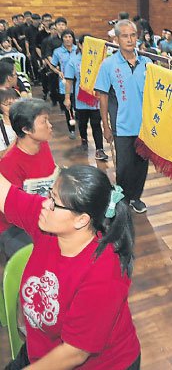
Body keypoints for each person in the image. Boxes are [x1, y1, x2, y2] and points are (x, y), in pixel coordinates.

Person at [0, 164, 141, 369]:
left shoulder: (104, 272)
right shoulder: (50, 225)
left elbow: (74, 353)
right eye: (50, 194)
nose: (45, 204)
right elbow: (5, 194)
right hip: (44, 350)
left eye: (54, 202)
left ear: (81, 220)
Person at [95, 19, 152, 214]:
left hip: (145, 127)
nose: (130, 39)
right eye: (125, 36)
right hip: (122, 126)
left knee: (141, 165)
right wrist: (106, 125)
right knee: (124, 166)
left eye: (133, 35)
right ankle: (122, 198)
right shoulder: (109, 65)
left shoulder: (148, 63)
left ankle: (136, 197)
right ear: (117, 39)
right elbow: (102, 96)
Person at [0, 99, 58, 259]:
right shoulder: (9, 164)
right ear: (26, 129)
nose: (50, 125)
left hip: (42, 212)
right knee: (37, 258)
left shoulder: (43, 144)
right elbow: (12, 213)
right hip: (14, 226)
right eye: (44, 121)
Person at [64, 34, 108, 160]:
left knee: (96, 123)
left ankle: (99, 149)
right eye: (85, 45)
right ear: (80, 45)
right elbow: (69, 81)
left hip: (95, 98)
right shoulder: (73, 61)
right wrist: (67, 98)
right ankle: (83, 138)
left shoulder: (98, 59)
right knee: (82, 123)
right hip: (80, 99)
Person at [50, 29, 77, 139]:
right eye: (65, 37)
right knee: (68, 106)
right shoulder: (57, 52)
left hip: (78, 82)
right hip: (65, 82)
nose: (68, 39)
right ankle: (72, 130)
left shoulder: (78, 50)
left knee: (78, 105)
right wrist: (58, 72)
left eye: (70, 37)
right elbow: (52, 65)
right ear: (62, 39)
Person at [0, 89, 18, 155]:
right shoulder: (1, 129)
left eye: (15, 103)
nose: (12, 107)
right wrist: (18, 138)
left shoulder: (26, 121)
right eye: (9, 104)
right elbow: (2, 155)